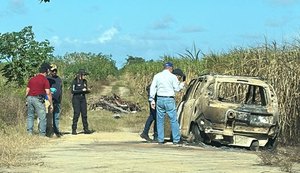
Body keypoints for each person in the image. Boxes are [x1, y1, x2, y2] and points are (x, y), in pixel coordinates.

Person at [148, 62, 185, 145]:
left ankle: (160, 139)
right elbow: (177, 89)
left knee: (160, 120)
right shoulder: (173, 77)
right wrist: (182, 85)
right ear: (171, 68)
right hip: (169, 99)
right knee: (173, 120)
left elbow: (153, 87)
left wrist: (152, 100)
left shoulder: (157, 76)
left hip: (160, 99)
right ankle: (176, 139)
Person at [26, 62, 53, 136]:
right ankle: (42, 134)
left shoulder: (32, 79)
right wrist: (51, 104)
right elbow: (48, 92)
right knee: (42, 117)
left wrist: (26, 100)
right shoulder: (45, 80)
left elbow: (27, 90)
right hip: (38, 99)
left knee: (30, 116)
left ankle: (29, 133)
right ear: (45, 72)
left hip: (29, 98)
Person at [71, 69, 94, 135]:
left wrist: (88, 90)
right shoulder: (74, 81)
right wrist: (81, 90)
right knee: (76, 113)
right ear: (80, 74)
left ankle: (86, 129)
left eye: (85, 75)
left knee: (84, 114)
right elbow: (73, 91)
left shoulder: (85, 81)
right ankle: (74, 129)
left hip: (83, 98)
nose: (85, 76)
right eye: (84, 74)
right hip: (76, 98)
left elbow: (85, 90)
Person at [47, 64, 63, 137]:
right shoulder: (47, 79)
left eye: (55, 70)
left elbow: (60, 89)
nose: (54, 72)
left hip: (57, 101)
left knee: (56, 116)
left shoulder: (59, 79)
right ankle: (49, 131)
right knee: (49, 117)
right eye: (53, 70)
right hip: (49, 100)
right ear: (50, 71)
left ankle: (56, 131)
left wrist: (60, 99)